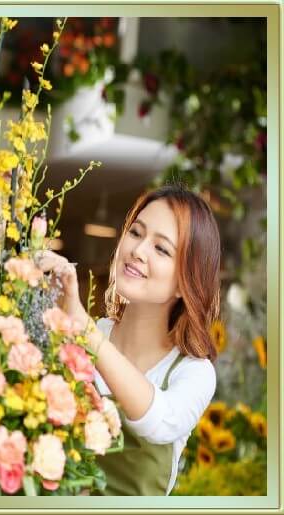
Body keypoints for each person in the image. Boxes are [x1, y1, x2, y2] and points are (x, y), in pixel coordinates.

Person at [37, 183, 221, 496]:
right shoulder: (89, 332)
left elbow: (158, 422)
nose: (137, 250)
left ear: (184, 282)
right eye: (136, 233)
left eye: (161, 249)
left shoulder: (192, 373)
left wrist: (84, 331)